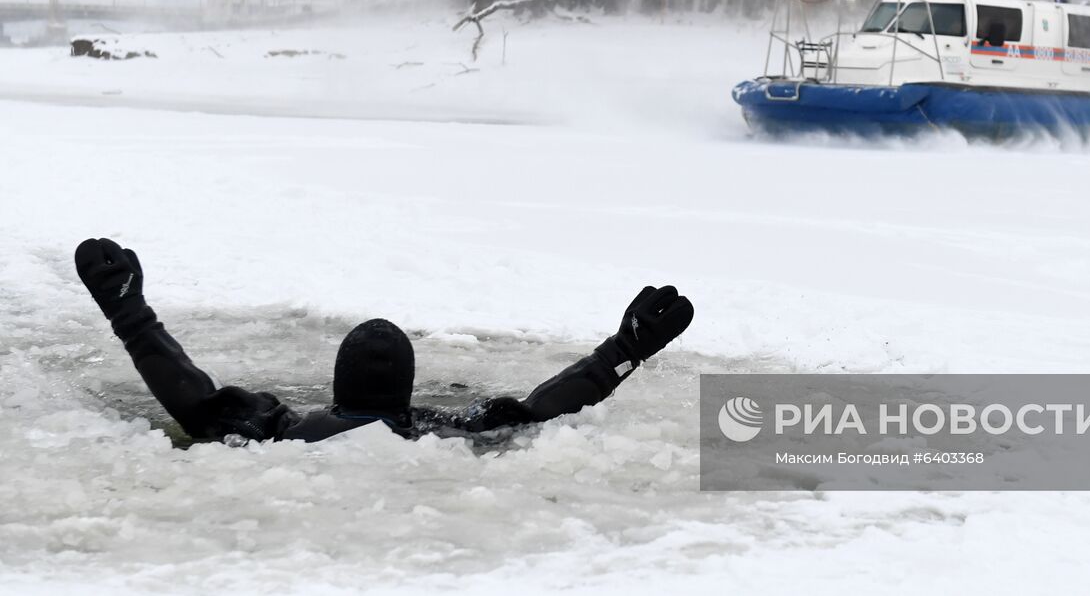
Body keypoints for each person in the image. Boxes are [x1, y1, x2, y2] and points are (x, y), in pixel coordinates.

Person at [74, 237, 694, 444]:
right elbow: (538, 409)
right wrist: (623, 352)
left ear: (338, 381)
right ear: (408, 385)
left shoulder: (286, 427)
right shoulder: (439, 431)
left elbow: (196, 404)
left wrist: (131, 316)